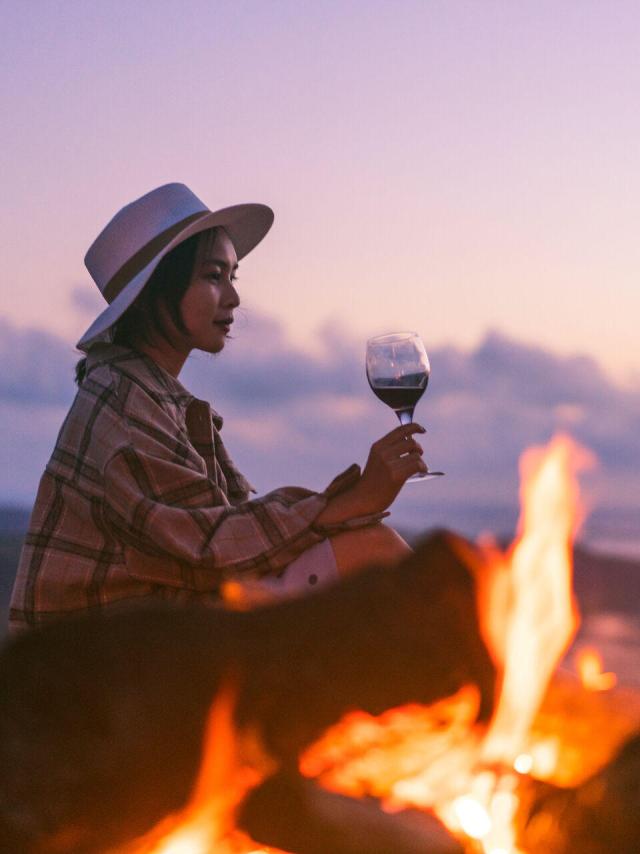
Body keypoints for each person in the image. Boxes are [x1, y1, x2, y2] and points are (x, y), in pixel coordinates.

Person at [9, 183, 428, 632]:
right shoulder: (122, 401)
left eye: (233, 276)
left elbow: (224, 527)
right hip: (112, 657)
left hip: (152, 627)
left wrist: (346, 503)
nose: (233, 297)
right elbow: (213, 548)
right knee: (373, 555)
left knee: (366, 559)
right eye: (213, 276)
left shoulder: (148, 393)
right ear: (156, 289)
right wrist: (354, 501)